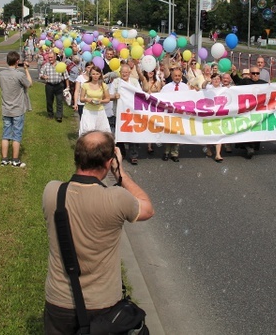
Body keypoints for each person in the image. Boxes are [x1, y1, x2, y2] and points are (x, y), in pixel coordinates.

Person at [42, 131, 154, 334]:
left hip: (58, 301)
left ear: (77, 157)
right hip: (103, 305)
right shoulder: (117, 198)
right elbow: (147, 208)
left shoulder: (51, 192)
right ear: (108, 162)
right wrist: (121, 173)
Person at [0, 50, 33, 168]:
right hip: (17, 108)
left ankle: (4, 159)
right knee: (17, 134)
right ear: (17, 62)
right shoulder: (19, 74)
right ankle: (15, 160)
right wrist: (26, 69)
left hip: (6, 107)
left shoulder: (1, 74)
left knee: (6, 134)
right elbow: (29, 84)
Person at [159, 67, 187, 162]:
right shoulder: (166, 87)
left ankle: (175, 153)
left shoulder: (185, 87)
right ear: (172, 76)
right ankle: (166, 152)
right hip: (169, 114)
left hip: (180, 114)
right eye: (175, 76)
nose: (177, 77)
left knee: (177, 133)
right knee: (168, 133)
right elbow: (160, 99)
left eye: (179, 75)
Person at [78, 65, 111, 136]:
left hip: (100, 111)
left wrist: (101, 101)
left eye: (97, 74)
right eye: (93, 74)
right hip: (88, 111)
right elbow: (81, 99)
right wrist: (87, 99)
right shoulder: (85, 85)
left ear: (100, 75)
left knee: (102, 132)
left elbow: (108, 99)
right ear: (90, 75)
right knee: (88, 130)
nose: (95, 76)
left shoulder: (103, 85)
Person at [40, 52, 70, 123]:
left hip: (59, 85)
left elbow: (66, 77)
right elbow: (41, 74)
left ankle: (59, 116)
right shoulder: (46, 66)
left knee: (59, 101)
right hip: (49, 85)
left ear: (55, 57)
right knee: (49, 101)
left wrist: (68, 86)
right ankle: (50, 114)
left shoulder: (60, 65)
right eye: (49, 58)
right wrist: (43, 76)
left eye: (51, 57)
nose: (50, 59)